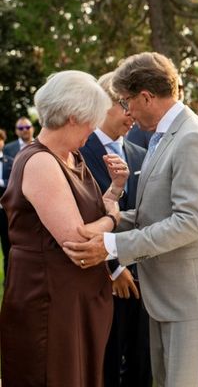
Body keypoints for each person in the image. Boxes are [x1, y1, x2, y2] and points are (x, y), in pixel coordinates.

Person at [62, 52, 198, 387]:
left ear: (146, 96)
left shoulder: (193, 138)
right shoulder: (164, 135)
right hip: (168, 291)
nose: (126, 111)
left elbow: (187, 222)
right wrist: (107, 222)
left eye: (126, 102)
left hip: (192, 293)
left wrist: (111, 245)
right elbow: (152, 213)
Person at [0, 70, 128, 386]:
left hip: (76, 302)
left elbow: (89, 212)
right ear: (72, 117)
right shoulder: (40, 162)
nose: (94, 130)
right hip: (50, 304)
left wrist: (114, 190)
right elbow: (77, 240)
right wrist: (113, 219)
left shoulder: (73, 156)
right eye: (90, 122)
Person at [79, 72, 151, 387]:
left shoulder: (140, 153)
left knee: (141, 359)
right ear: (104, 103)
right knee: (106, 362)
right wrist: (114, 267)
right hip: (101, 276)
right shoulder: (80, 150)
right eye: (124, 104)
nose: (131, 113)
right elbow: (82, 215)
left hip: (143, 274)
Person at [0, 128, 13, 278]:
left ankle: (8, 281)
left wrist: (2, 182)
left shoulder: (10, 162)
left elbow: (14, 183)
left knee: (8, 248)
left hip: (5, 212)